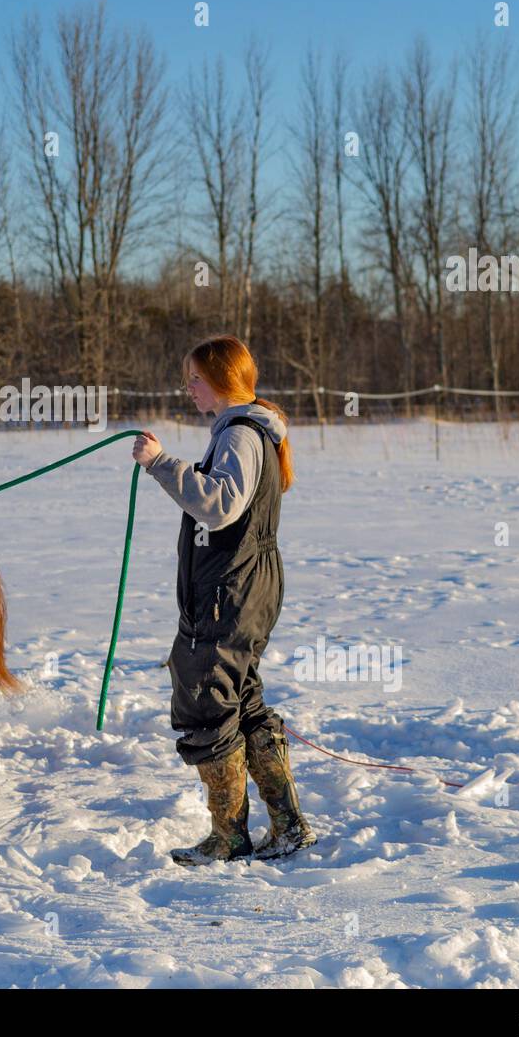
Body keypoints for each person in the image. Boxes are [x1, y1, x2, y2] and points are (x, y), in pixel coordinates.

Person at [132, 334, 317, 866]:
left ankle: (229, 836)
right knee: (241, 699)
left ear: (220, 379)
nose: (188, 387)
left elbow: (219, 506)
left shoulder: (239, 434)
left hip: (228, 591)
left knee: (207, 697)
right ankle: (286, 826)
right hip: (247, 587)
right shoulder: (247, 430)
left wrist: (161, 463)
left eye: (194, 377)